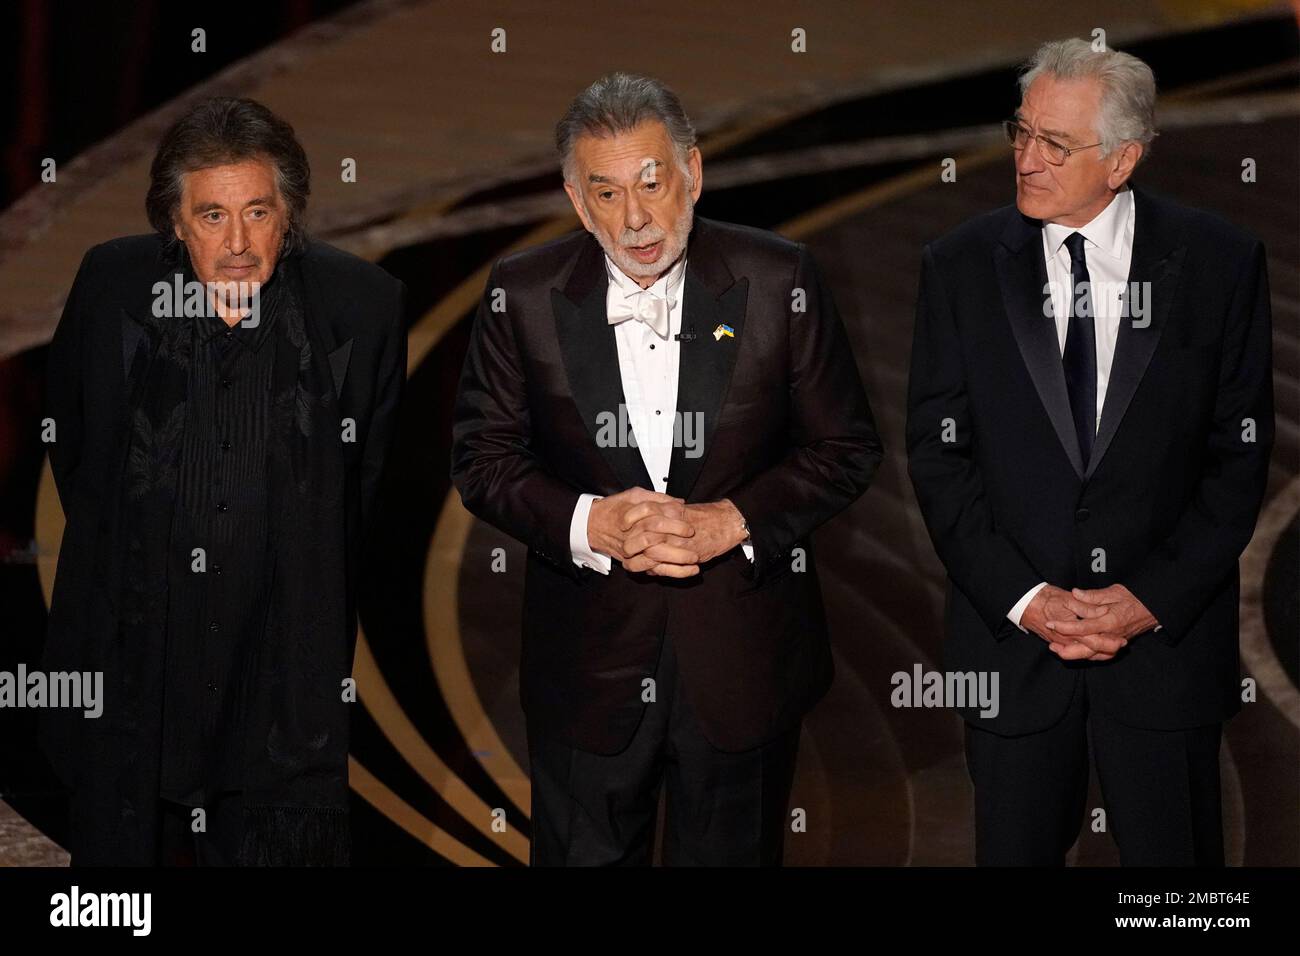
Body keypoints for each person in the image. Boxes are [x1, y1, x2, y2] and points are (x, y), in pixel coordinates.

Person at [451, 72, 882, 865]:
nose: (636, 218)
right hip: (587, 673)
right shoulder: (524, 292)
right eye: (607, 195)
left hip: (743, 669)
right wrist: (590, 522)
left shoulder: (780, 279)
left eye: (652, 182)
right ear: (578, 203)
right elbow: (482, 459)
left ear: (693, 170)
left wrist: (735, 519)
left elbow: (845, 448)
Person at [906, 38, 1273, 865]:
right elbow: (938, 457)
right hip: (1013, 653)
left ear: (1123, 160)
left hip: (1165, 658)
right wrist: (1027, 598)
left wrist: (1148, 597)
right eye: (1021, 132)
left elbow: (1237, 457)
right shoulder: (960, 267)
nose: (1026, 160)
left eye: (1055, 144)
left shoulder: (1219, 263)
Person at [40, 97, 407, 865]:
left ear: (290, 216)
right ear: (174, 222)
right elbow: (76, 451)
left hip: (280, 671)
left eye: (259, 213)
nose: (238, 244)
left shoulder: (361, 306)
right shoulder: (112, 285)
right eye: (212, 216)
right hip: (135, 657)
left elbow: (365, 490)